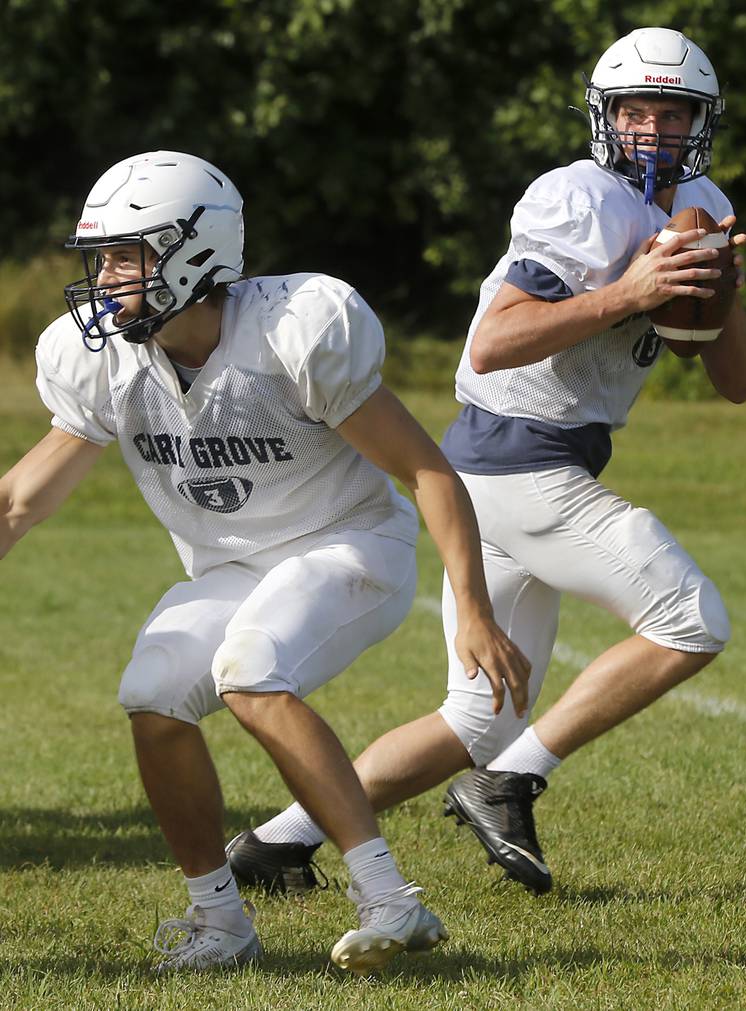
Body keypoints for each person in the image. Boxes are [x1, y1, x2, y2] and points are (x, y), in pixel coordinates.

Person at [227, 27, 746, 898]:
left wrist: (723, 290)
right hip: (518, 462)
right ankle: (512, 778)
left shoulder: (703, 198)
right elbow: (495, 338)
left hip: (523, 470)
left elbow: (736, 382)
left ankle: (275, 843)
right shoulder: (578, 198)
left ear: (703, 121)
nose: (656, 129)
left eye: (675, 112)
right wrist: (630, 292)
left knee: (480, 714)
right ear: (607, 115)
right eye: (638, 110)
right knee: (689, 619)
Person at [0, 150, 531, 972]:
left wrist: (473, 606)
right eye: (100, 257)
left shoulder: (295, 329)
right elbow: (18, 499)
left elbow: (426, 469)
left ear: (196, 251)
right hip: (230, 566)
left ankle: (390, 898)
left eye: (126, 255)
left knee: (251, 670)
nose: (104, 278)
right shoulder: (102, 356)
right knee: (151, 696)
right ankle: (221, 920)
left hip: (348, 541)